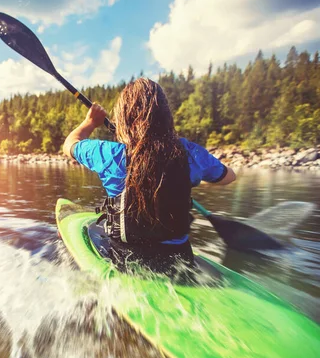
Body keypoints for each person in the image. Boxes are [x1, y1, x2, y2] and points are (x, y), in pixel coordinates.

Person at [62, 78, 236, 275]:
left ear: (125, 117)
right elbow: (229, 177)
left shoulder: (109, 154)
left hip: (127, 262)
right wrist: (195, 178)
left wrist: (90, 122)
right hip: (179, 263)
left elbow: (69, 144)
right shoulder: (190, 153)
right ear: (166, 116)